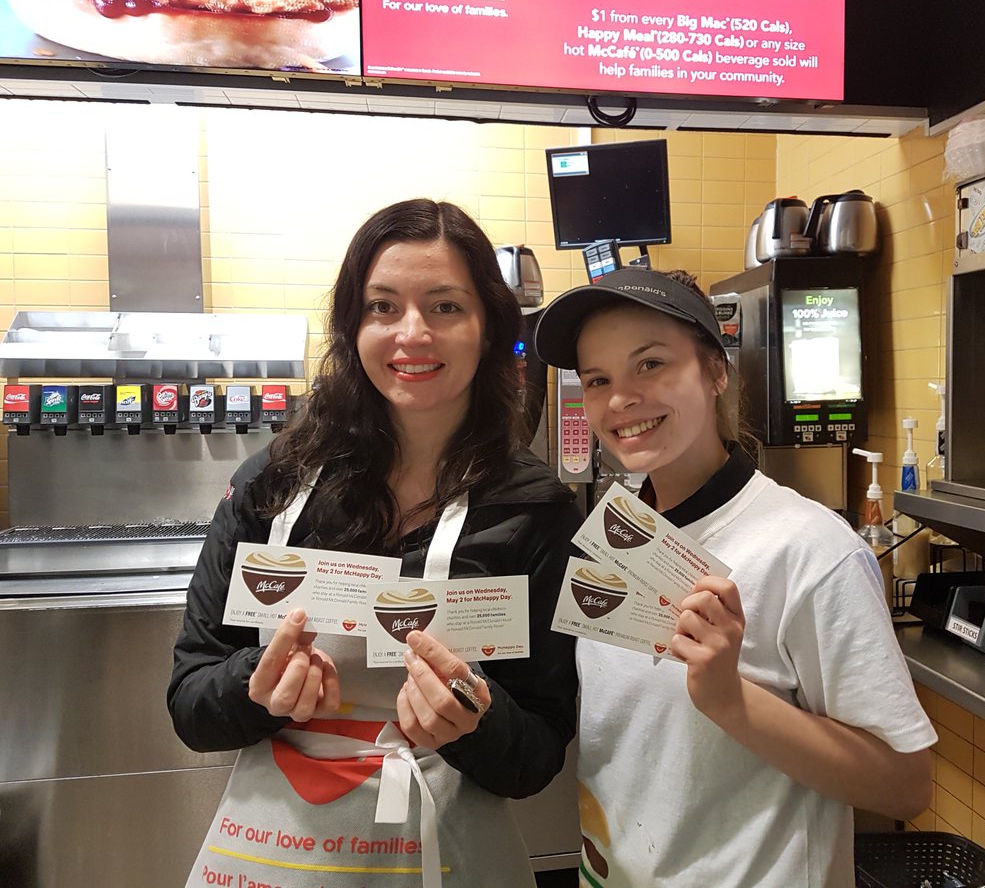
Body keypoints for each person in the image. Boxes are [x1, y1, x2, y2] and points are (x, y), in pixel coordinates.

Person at [168, 199, 581, 888]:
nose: (411, 334)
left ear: (488, 330)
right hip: (281, 856)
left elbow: (537, 757)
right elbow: (190, 701)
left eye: (445, 307)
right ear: (353, 327)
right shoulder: (274, 489)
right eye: (383, 307)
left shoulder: (533, 514)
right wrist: (255, 687)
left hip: (441, 858)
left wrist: (471, 721)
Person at [533, 268, 936, 887]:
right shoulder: (619, 536)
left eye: (650, 365)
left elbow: (904, 785)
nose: (620, 400)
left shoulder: (807, 548)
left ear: (715, 372)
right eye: (598, 379)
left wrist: (731, 700)